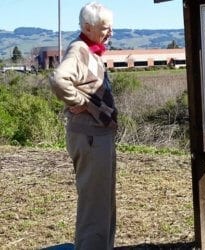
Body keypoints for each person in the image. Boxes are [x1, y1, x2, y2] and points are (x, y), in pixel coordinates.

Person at [49, 2, 117, 249]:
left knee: (103, 200)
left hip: (97, 136)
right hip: (90, 137)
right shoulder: (79, 49)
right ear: (88, 27)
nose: (111, 33)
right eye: (105, 28)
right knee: (95, 202)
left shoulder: (92, 49)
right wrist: (82, 102)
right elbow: (59, 80)